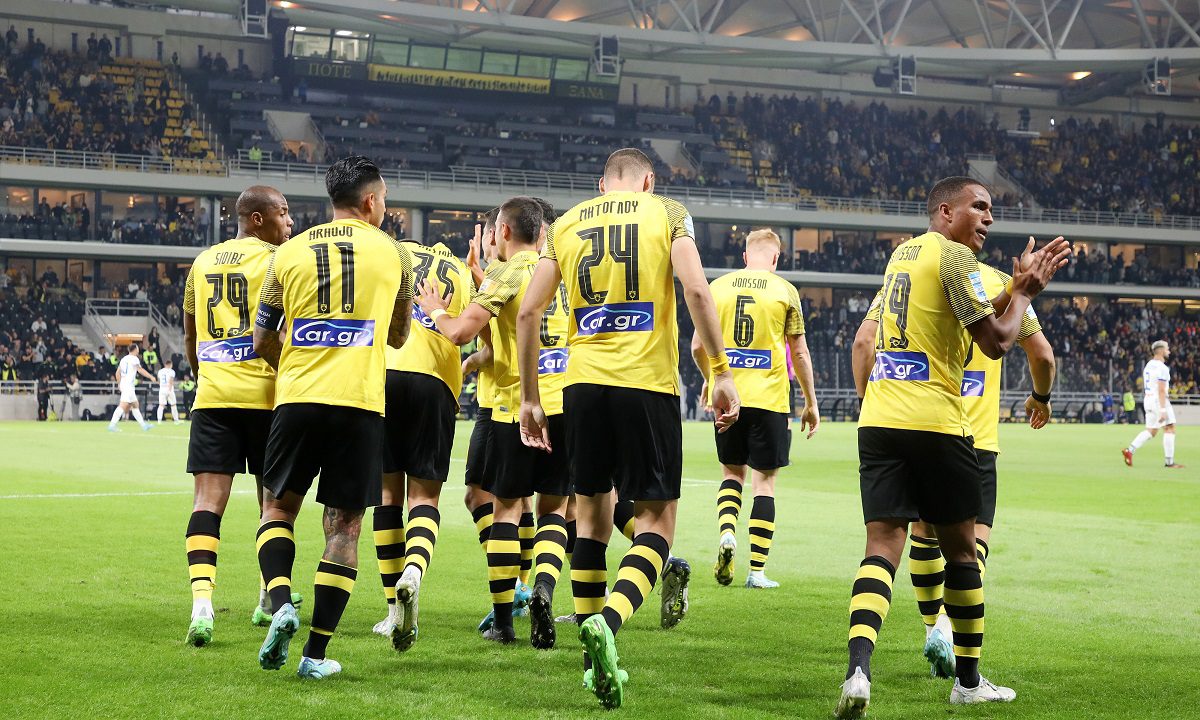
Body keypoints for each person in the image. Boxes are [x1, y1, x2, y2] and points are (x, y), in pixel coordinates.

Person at [835, 176, 1070, 717]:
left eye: (991, 210)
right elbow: (998, 341)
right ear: (946, 211)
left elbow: (877, 337)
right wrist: (1024, 293)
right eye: (979, 207)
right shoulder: (956, 258)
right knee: (963, 553)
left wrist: (1012, 289)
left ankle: (858, 672)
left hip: (880, 421)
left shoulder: (903, 255)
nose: (988, 218)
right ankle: (967, 682)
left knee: (881, 548)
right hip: (938, 423)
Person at [515, 148, 740, 709]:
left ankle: (593, 662)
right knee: (657, 524)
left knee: (590, 521)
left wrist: (530, 397)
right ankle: (609, 623)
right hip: (646, 386)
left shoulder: (566, 223)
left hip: (581, 389)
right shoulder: (668, 212)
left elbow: (528, 312)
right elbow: (696, 291)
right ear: (648, 181)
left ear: (602, 184)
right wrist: (720, 373)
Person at [251, 156, 414, 680]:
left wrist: (300, 364)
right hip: (359, 404)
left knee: (277, 510)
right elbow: (399, 336)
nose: (385, 208)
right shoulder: (394, 254)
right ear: (370, 201)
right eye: (384, 199)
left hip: (297, 398)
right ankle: (315, 654)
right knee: (344, 528)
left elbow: (261, 339)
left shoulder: (289, 252)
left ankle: (281, 604)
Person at [180, 185, 294, 647]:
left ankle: (202, 605)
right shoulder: (278, 261)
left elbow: (190, 337)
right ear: (258, 219)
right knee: (274, 506)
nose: (290, 222)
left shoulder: (202, 262)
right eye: (283, 213)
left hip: (214, 398)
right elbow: (283, 332)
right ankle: (268, 596)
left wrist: (207, 377)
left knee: (207, 503)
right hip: (267, 399)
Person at [692, 228, 819, 590]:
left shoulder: (718, 287)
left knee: (732, 474)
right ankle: (757, 571)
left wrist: (712, 380)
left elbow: (698, 346)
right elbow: (799, 352)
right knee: (764, 484)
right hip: (770, 400)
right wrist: (810, 402)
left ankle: (727, 533)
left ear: (745, 256)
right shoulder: (785, 291)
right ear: (776, 258)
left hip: (729, 397)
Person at [369, 225, 473, 653]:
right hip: (436, 381)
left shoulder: (396, 255)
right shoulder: (461, 272)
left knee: (387, 495)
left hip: (386, 372)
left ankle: (393, 609)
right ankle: (414, 570)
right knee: (424, 498)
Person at [1123, 340, 1185, 468]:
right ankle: (1169, 462)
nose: (1169, 351)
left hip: (1148, 399)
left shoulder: (1149, 365)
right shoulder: (1163, 368)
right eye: (1167, 349)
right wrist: (1162, 410)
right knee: (1169, 428)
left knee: (1151, 430)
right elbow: (1161, 390)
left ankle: (1130, 450)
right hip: (1159, 400)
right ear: (1161, 351)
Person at [108, 343, 156, 431]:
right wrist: (151, 376)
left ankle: (143, 425)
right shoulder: (134, 359)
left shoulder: (123, 359)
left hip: (125, 384)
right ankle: (112, 425)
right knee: (123, 405)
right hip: (128, 385)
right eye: (138, 349)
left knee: (135, 404)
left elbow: (117, 373)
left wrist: (119, 384)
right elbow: (140, 370)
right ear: (135, 349)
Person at [157, 358, 181, 425]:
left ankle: (159, 420)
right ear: (170, 364)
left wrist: (162, 386)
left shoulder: (160, 371)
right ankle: (176, 420)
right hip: (169, 389)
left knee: (161, 405)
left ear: (165, 364)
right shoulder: (171, 371)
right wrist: (169, 389)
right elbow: (171, 381)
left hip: (162, 389)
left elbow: (159, 381)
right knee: (173, 405)